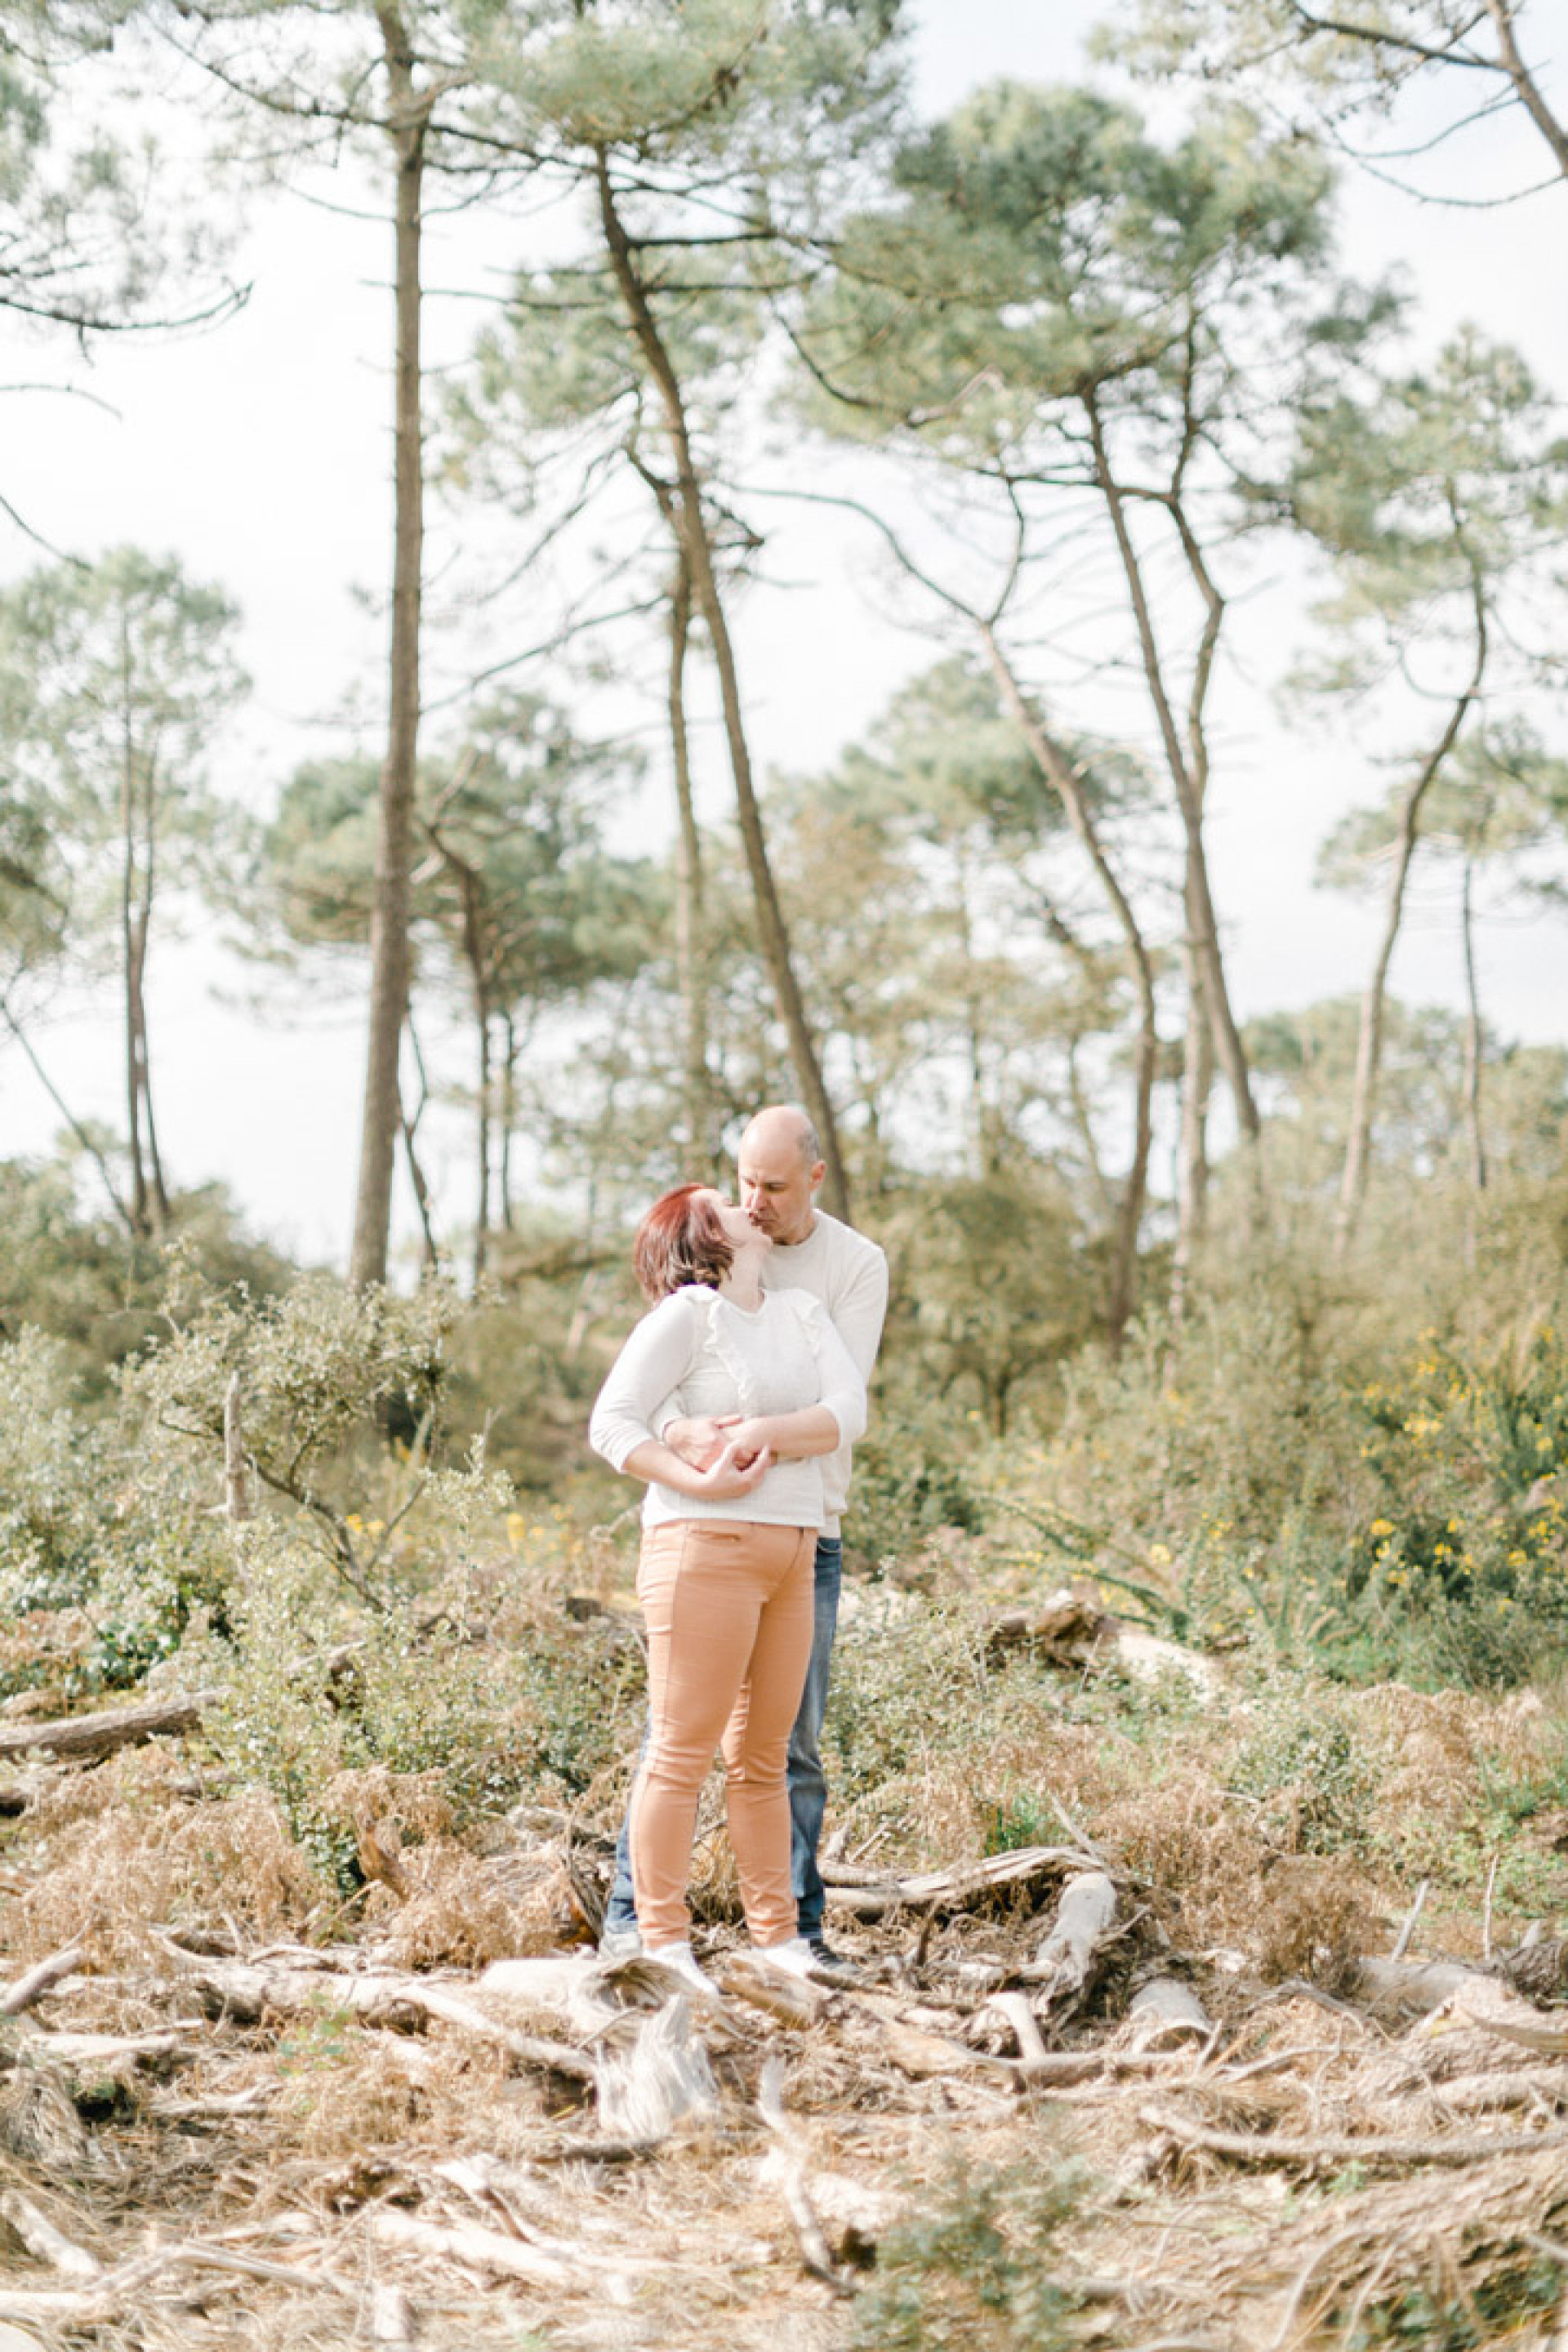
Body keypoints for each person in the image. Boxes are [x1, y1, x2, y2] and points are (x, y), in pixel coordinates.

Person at [599, 1106, 889, 1970]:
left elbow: (847, 1411)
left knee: (773, 1755)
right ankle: (649, 1935)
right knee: (681, 1747)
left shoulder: (822, 1292)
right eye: (739, 1191)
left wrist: (752, 1430)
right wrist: (689, 1457)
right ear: (711, 1237)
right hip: (706, 1547)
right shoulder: (692, 1313)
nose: (752, 1203)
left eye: (769, 1188)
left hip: (802, 1542)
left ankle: (786, 1942)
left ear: (813, 1178)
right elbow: (616, 1419)